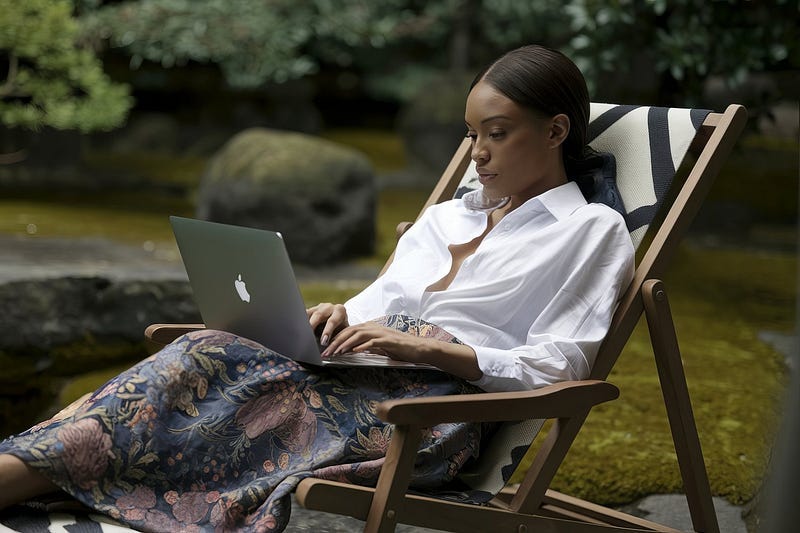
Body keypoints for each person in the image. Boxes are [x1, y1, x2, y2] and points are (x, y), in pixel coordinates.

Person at [0, 44, 634, 531]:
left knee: (214, 381)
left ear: (555, 132)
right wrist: (337, 314)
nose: (477, 154)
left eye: (496, 133)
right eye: (470, 134)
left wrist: (431, 351)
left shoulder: (589, 230)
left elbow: (563, 364)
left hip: (422, 413)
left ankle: (21, 476)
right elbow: (376, 308)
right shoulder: (449, 216)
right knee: (205, 349)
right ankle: (26, 474)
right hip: (347, 370)